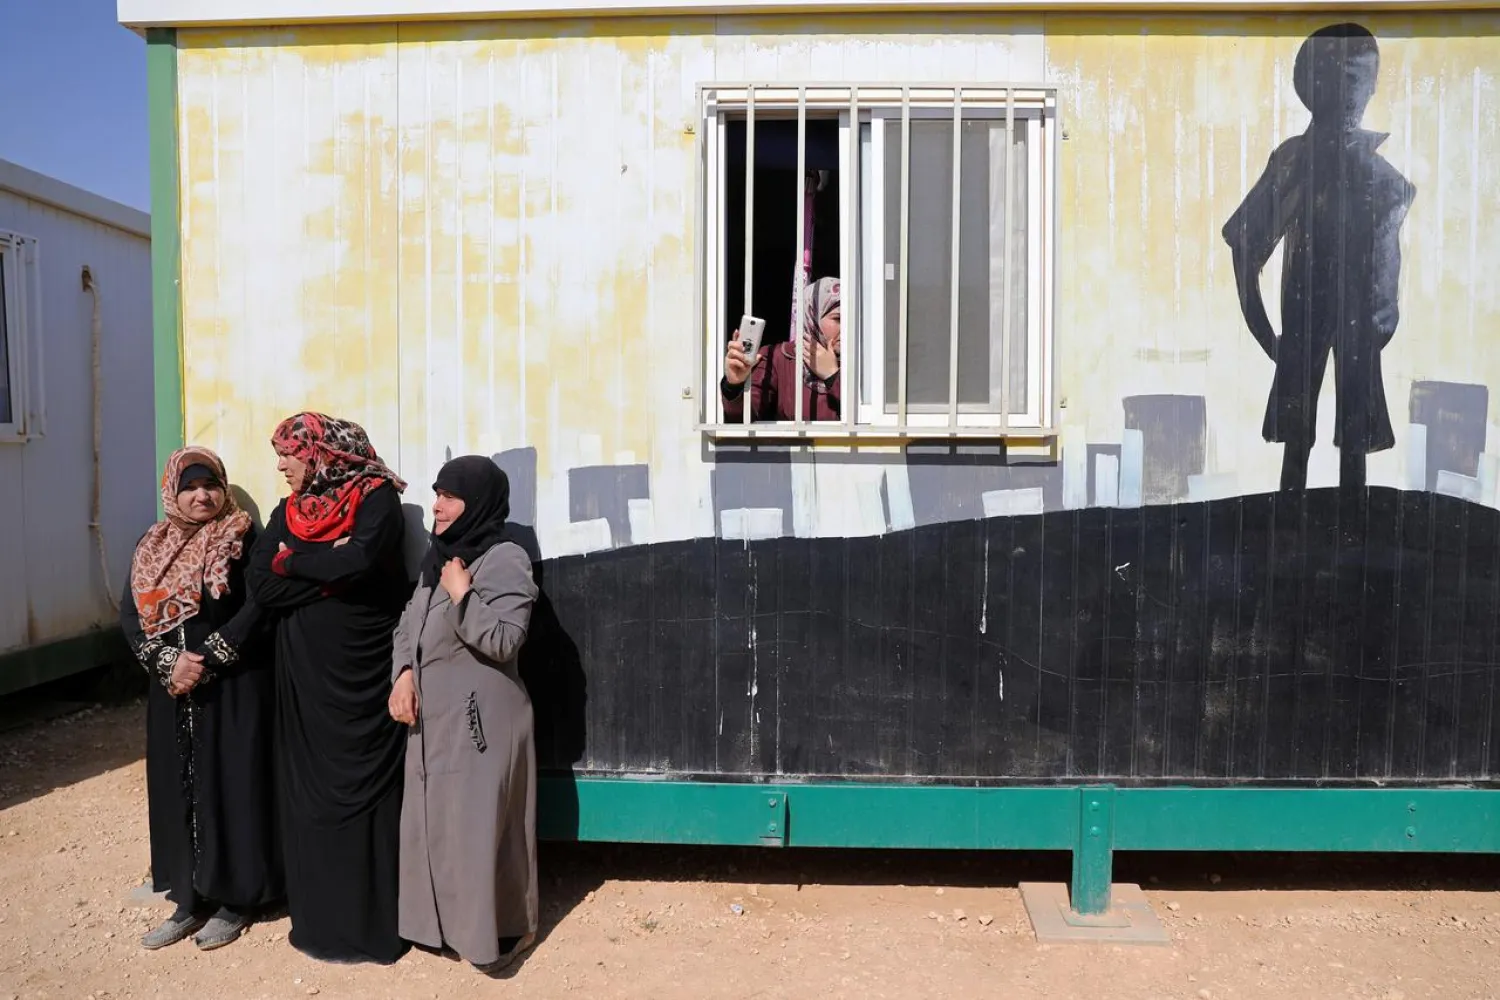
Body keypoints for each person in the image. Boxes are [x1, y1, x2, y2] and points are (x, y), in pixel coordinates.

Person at [246, 412, 409, 964]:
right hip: (304, 676)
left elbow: (363, 563)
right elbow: (262, 583)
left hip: (363, 676)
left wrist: (296, 561)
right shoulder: (288, 511)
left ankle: (371, 925)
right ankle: (318, 922)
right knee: (309, 790)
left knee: (366, 789)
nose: (282, 465)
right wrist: (325, 574)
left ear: (320, 452)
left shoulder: (376, 496)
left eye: (289, 453)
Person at [1222, 23, 1415, 491]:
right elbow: (1245, 246)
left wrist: (1375, 327)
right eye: (1344, 78)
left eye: (1358, 78)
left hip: (1343, 326)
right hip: (1318, 322)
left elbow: (1245, 248)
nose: (1354, 90)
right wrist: (1270, 337)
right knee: (1309, 445)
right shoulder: (1298, 164)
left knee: (1348, 441)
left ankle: (1333, 517)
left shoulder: (1380, 181)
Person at [121, 446, 280, 951]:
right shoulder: (151, 545)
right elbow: (130, 616)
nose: (201, 496)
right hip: (172, 690)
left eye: (210, 484)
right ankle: (189, 899)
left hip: (231, 687)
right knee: (178, 789)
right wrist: (169, 663)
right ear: (173, 492)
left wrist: (209, 657)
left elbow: (260, 603)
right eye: (189, 487)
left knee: (232, 786)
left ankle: (236, 900)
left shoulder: (243, 537)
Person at [389, 456, 540, 974]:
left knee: (481, 830)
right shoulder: (437, 559)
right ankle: (438, 928)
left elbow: (504, 640)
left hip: (482, 722)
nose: (437, 505)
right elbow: (407, 626)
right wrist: (403, 674)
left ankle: (498, 933)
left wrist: (463, 595)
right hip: (434, 720)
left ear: (477, 503)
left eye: (450, 496)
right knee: (437, 825)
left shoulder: (505, 559)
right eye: (436, 493)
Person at [721, 276, 842, 422]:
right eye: (838, 319)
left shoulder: (864, 363)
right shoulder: (778, 358)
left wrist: (833, 376)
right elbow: (744, 420)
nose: (847, 327)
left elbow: (866, 417)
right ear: (812, 316)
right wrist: (734, 385)